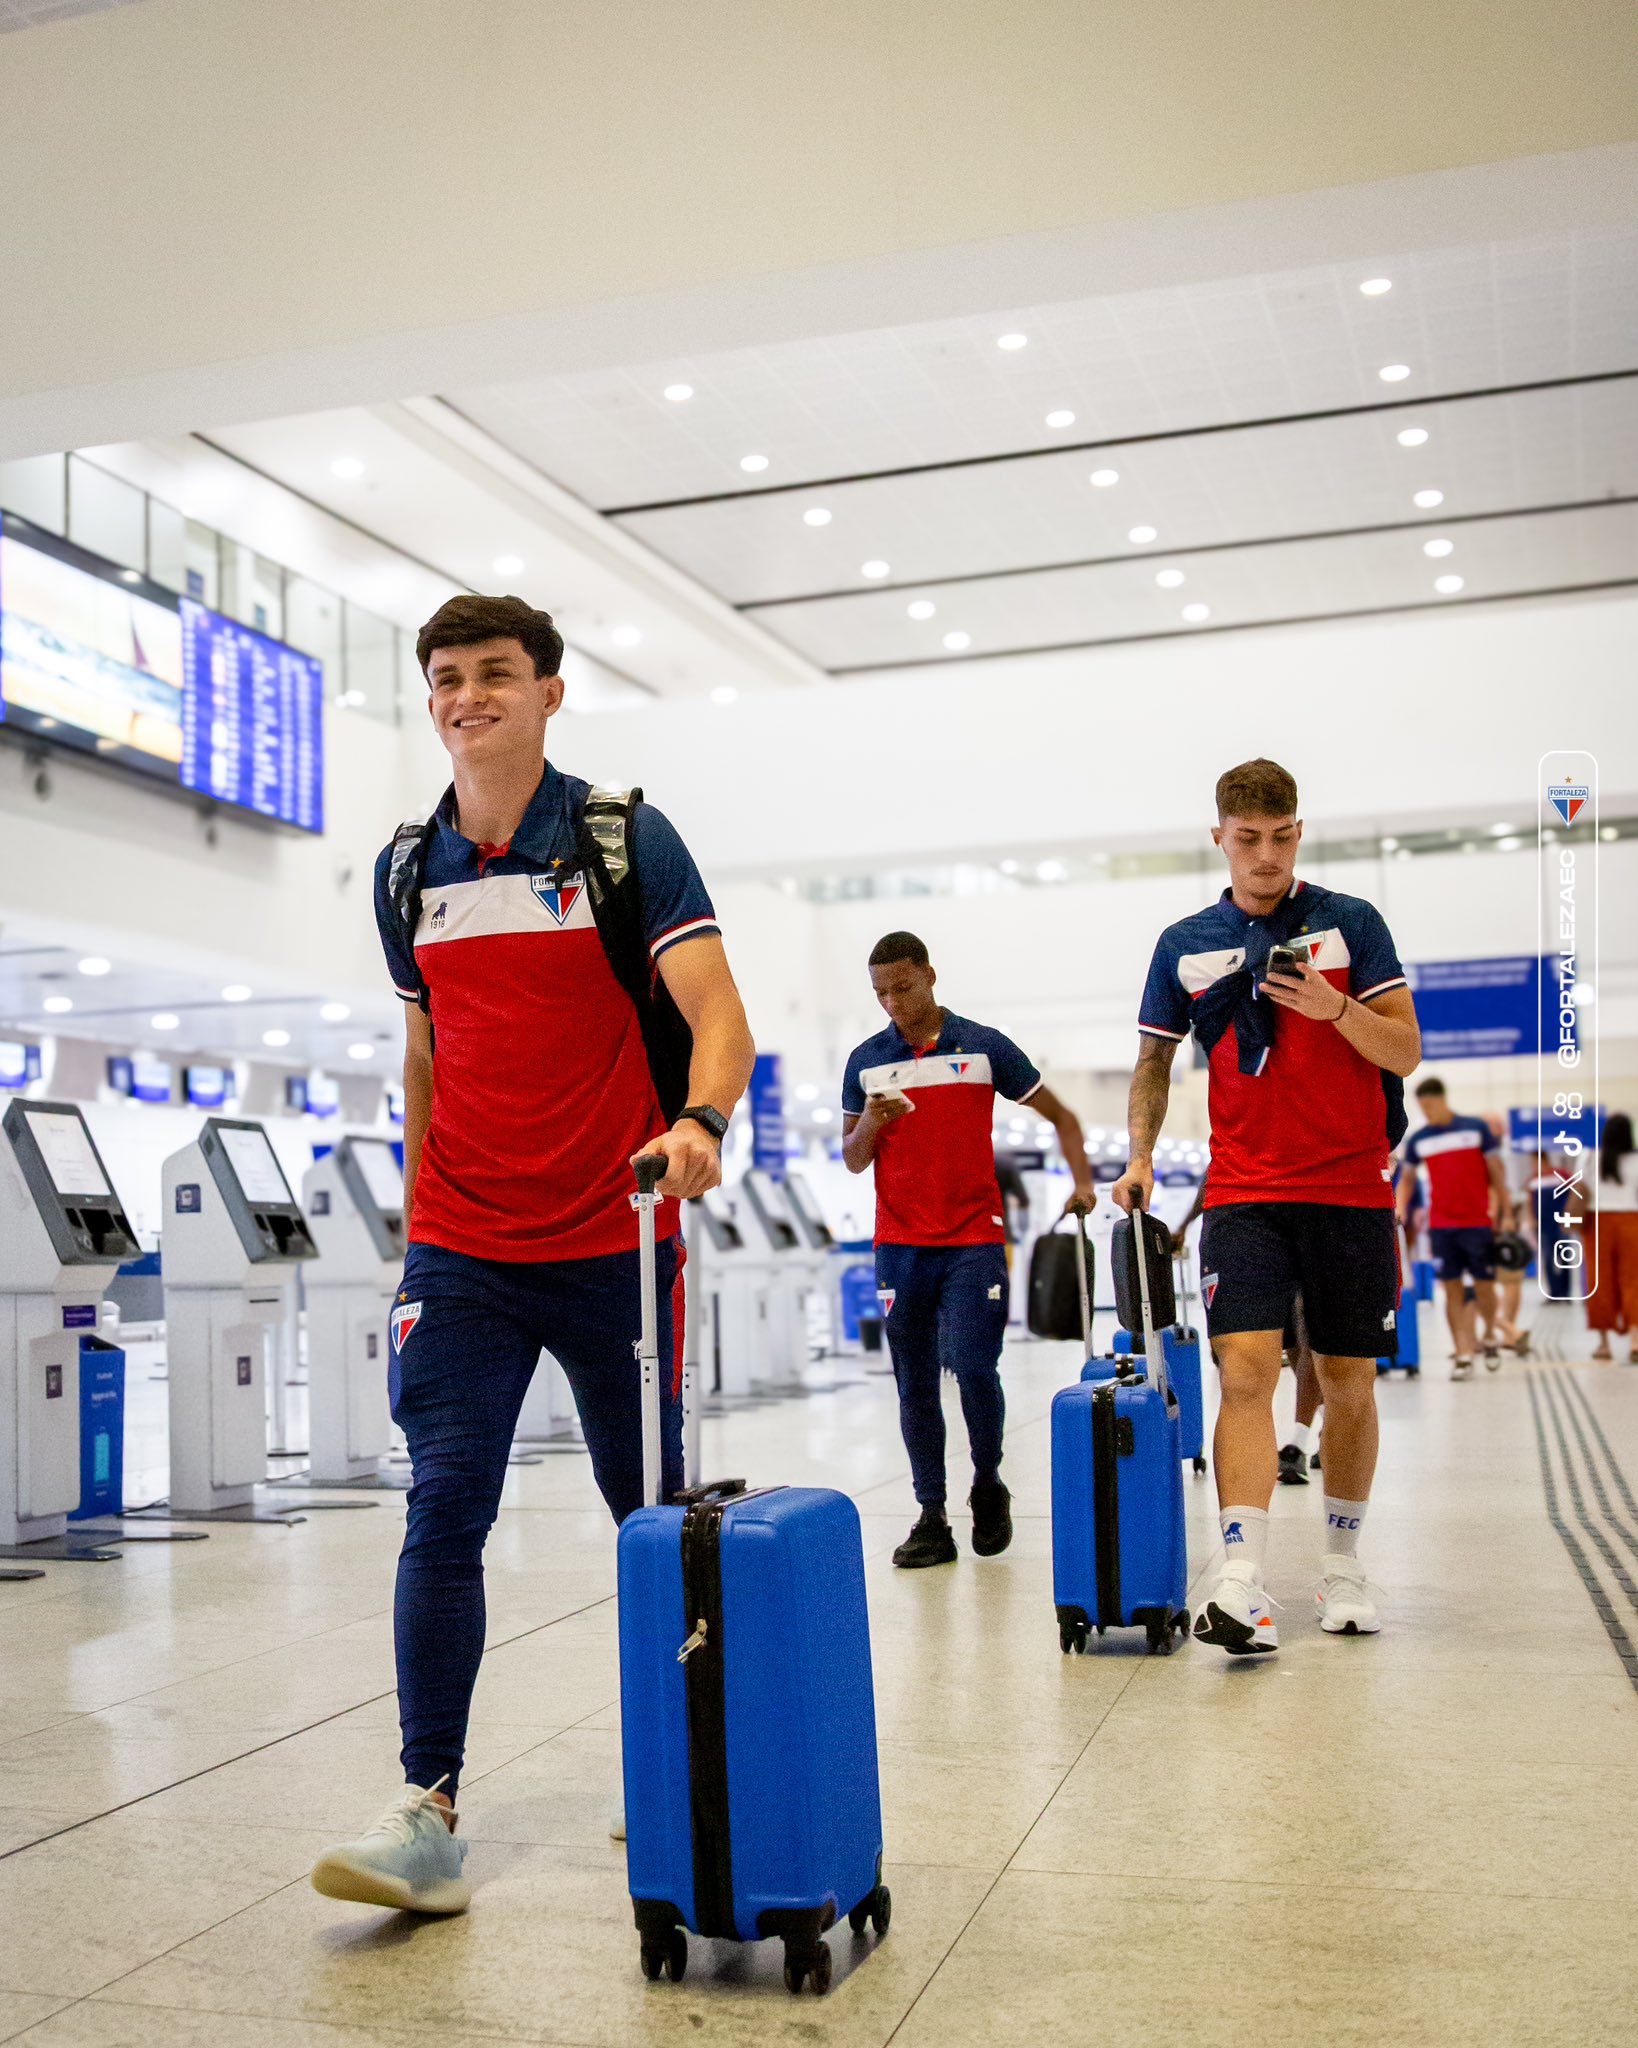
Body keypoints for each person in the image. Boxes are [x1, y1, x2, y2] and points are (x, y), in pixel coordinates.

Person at [311, 594, 755, 1914]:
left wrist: (700, 1121)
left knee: (648, 1521)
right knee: (443, 1508)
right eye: (446, 679)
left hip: (615, 1235)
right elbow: (426, 1053)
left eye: (494, 674)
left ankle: (671, 1767)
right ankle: (426, 1808)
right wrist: (417, 1220)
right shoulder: (409, 874)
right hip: (462, 1247)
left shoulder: (620, 839)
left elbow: (716, 1012)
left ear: (549, 691)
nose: (466, 697)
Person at [1114, 758, 1420, 1654]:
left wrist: (1333, 1010)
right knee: (1244, 1369)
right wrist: (1139, 1158)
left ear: (1297, 832)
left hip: (1349, 1187)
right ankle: (1243, 1579)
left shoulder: (1351, 924)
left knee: (1348, 1379)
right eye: (1248, 840)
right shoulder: (1185, 941)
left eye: (1282, 837)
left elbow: (1401, 1050)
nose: (1266, 857)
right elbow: (1154, 1062)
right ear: (1220, 838)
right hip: (1244, 1190)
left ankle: (1344, 1566)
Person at [842, 932, 1094, 1567]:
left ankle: (988, 1482)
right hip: (899, 1246)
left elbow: (1063, 1117)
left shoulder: (984, 1047)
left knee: (976, 1367)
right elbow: (851, 1158)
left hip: (973, 1240)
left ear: (929, 975)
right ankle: (932, 1514)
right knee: (914, 1383)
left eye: (902, 987)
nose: (893, 1003)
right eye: (881, 993)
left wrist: (1084, 1183)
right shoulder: (867, 1061)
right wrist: (874, 1120)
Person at [1399, 1077, 1513, 1377]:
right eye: (1422, 1107)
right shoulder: (1420, 1138)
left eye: (1430, 1106)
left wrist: (1505, 1212)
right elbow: (1408, 1178)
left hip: (1477, 1223)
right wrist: (1399, 1207)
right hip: (1442, 1226)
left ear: (1441, 1100)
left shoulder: (1475, 1129)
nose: (1427, 1112)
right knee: (1451, 1290)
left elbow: (1496, 1174)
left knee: (1484, 1287)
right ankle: (1462, 1351)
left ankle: (1489, 1332)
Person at [1588, 1113, 1638, 1365]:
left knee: (1599, 1281)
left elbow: (1580, 1193)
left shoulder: (1591, 1158)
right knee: (1633, 1279)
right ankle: (1635, 1340)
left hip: (1599, 1223)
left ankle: (1604, 1343)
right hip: (1632, 1221)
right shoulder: (1636, 1160)